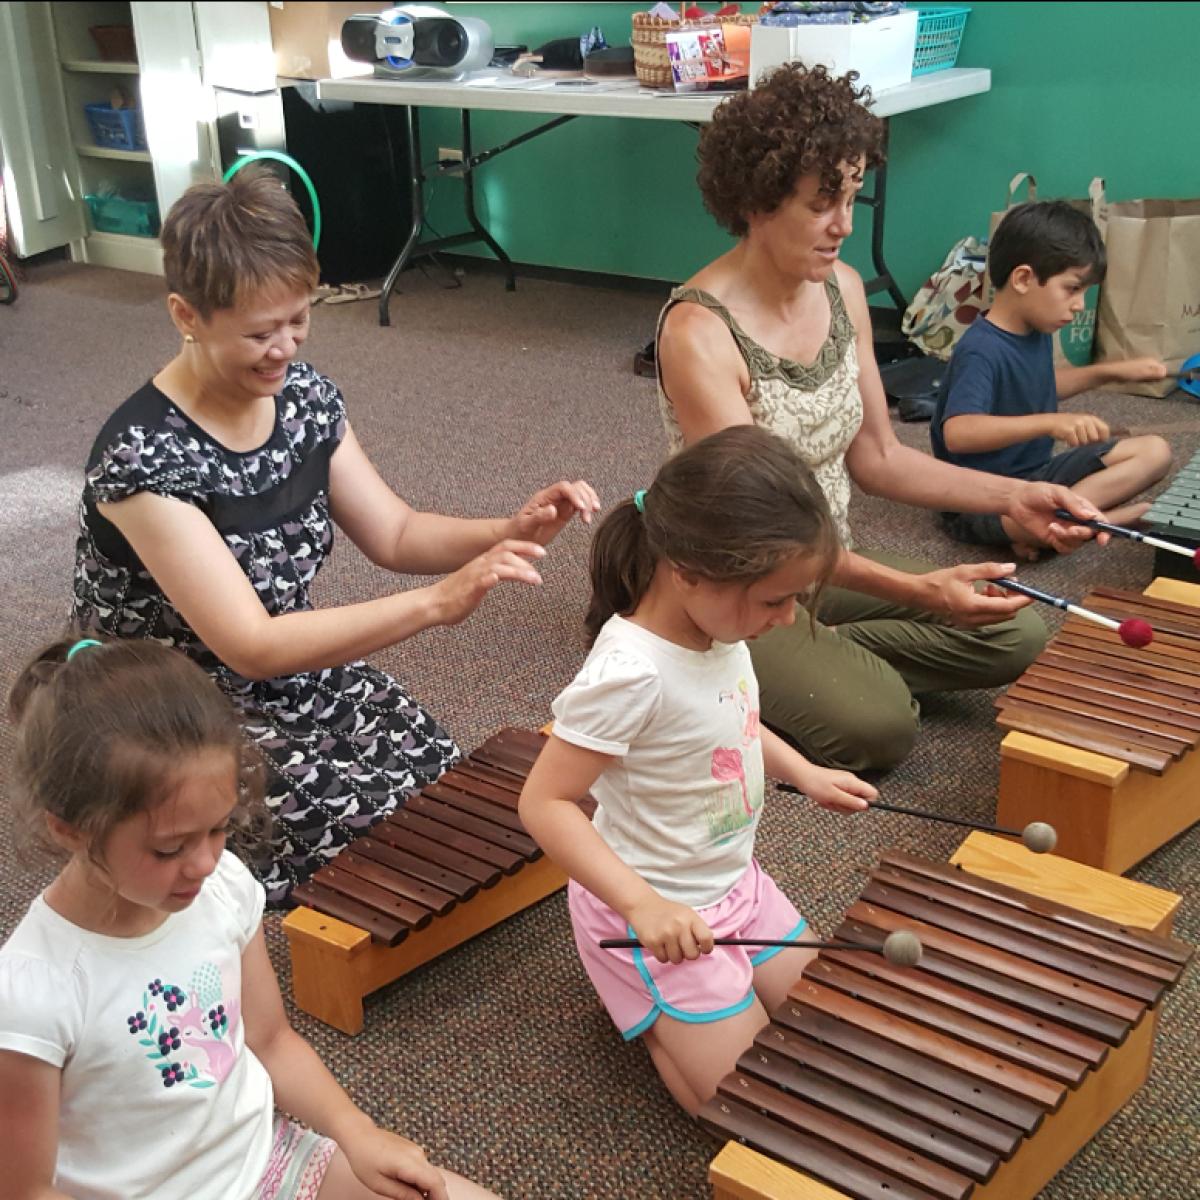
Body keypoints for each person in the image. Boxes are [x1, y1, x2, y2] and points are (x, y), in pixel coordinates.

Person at [71, 168, 600, 906]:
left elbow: (395, 531)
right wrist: (434, 606)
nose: (284, 348)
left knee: (432, 781)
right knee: (339, 832)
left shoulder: (305, 399)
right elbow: (247, 644)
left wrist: (507, 528)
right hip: (166, 702)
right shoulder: (143, 460)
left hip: (282, 661)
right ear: (185, 314)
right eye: (258, 332)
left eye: (299, 320)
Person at [654, 62, 1109, 773]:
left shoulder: (841, 288)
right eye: (821, 203)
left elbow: (879, 458)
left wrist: (1016, 494)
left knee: (1018, 631)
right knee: (881, 729)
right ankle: (699, 660)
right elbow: (762, 532)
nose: (843, 225)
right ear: (756, 201)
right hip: (739, 583)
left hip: (827, 564)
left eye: (853, 198)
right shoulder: (698, 333)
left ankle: (802, 667)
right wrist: (919, 591)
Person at [0, 636, 502, 1200]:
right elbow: (27, 1190)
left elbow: (271, 1040)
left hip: (267, 1158)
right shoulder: (32, 995)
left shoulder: (222, 889)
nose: (206, 862)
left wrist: (358, 1134)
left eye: (218, 828)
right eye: (170, 848)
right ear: (69, 828)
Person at [518, 426, 878, 1116]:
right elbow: (545, 803)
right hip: (651, 911)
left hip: (736, 888)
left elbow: (730, 723)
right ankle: (645, 1005)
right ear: (687, 570)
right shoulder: (630, 674)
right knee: (746, 1102)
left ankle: (691, 1013)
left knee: (833, 1030)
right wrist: (642, 905)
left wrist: (802, 770)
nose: (787, 618)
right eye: (775, 599)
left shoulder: (718, 629)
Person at [931, 199, 1172, 555]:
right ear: (1024, 279)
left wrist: (1111, 371)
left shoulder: (1034, 331)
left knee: (1157, 452)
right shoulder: (981, 349)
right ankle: (1091, 521)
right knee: (1023, 521)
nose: (1079, 304)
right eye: (1072, 288)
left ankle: (1073, 523)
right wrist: (1050, 423)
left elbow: (1037, 388)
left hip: (1036, 477)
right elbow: (959, 433)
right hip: (979, 500)